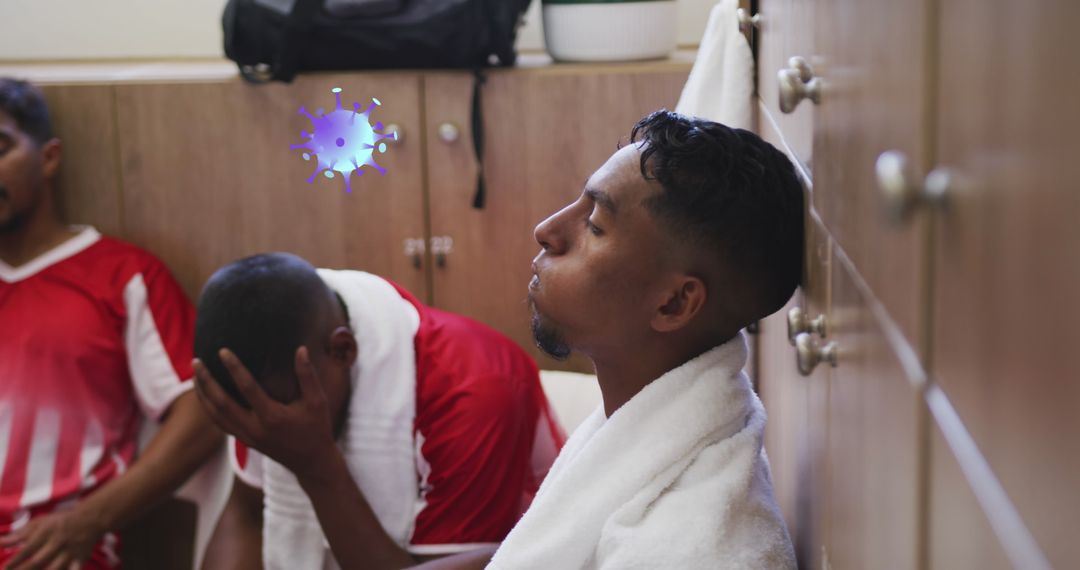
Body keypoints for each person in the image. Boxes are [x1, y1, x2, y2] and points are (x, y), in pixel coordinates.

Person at [197, 108, 800, 570]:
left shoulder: (695, 545)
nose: (546, 230)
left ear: (673, 302)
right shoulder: (640, 439)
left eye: (594, 225)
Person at [193, 254, 564, 570]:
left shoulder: (478, 391)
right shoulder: (268, 372)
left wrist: (315, 466)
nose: (266, 426)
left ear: (342, 351)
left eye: (276, 410)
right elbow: (248, 513)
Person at [0, 77, 223, 569]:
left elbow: (203, 410)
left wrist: (90, 519)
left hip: (44, 556)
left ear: (49, 157)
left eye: (0, 147)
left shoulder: (122, 277)